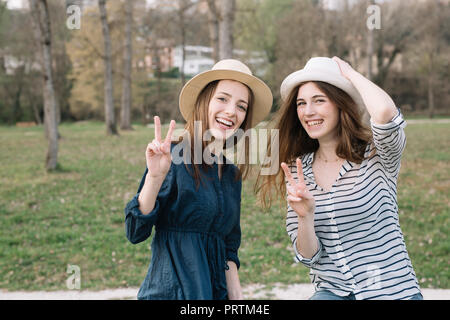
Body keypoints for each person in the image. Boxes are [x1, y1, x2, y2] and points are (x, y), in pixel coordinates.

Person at [257, 56, 422, 300]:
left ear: (340, 105)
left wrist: (350, 74)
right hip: (332, 293)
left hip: (390, 291)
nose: (308, 111)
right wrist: (305, 217)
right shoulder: (298, 168)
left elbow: (386, 112)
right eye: (301, 103)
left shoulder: (377, 154)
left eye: (319, 100)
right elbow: (309, 255)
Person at [124, 59, 273, 300]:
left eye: (241, 106)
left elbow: (228, 248)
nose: (231, 112)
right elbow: (135, 231)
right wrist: (154, 177)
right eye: (222, 99)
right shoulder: (173, 156)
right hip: (171, 294)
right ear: (205, 102)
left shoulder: (232, 174)